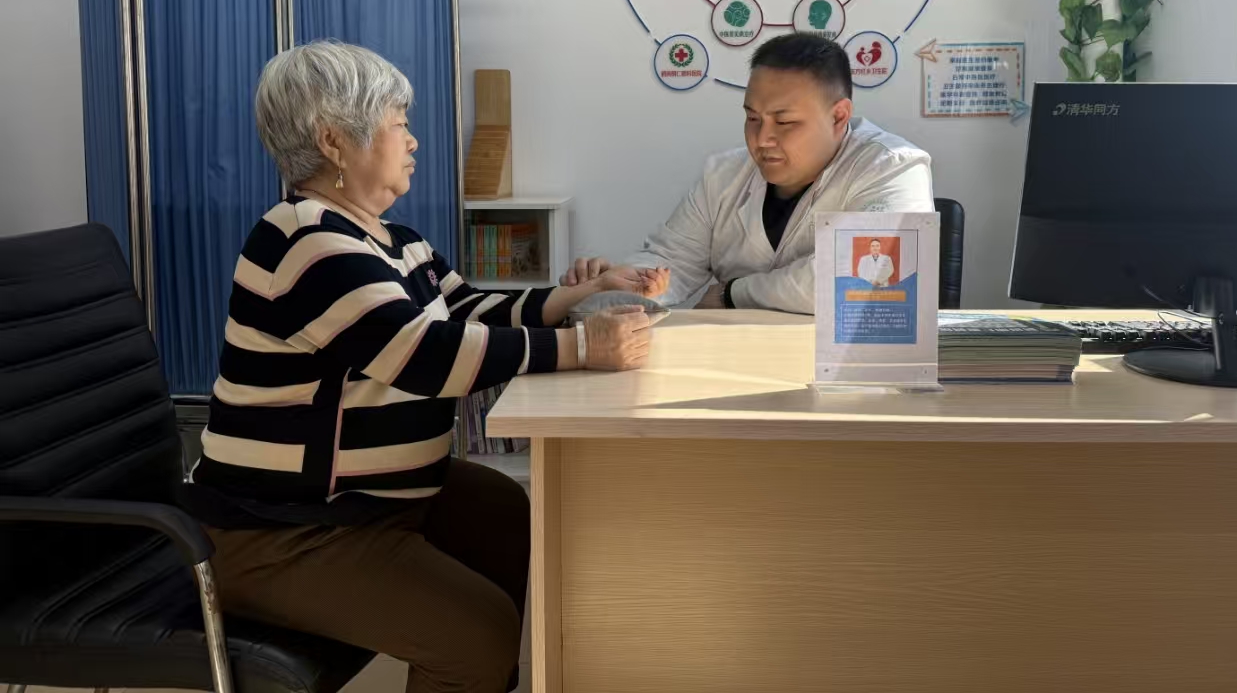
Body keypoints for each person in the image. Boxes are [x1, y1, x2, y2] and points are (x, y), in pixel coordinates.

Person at [184, 41, 663, 693]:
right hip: (286, 529)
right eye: (398, 123)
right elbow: (424, 353)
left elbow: (467, 310)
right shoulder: (307, 242)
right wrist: (584, 347)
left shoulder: (395, 242)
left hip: (368, 505)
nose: (413, 140)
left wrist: (578, 294)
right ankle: (470, 664)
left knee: (502, 510)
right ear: (333, 141)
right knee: (477, 635)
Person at [562, 34, 933, 314]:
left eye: (784, 122)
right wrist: (608, 286)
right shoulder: (723, 176)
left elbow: (859, 280)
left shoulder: (893, 166)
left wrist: (732, 293)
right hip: (739, 360)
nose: (762, 138)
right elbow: (670, 261)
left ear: (839, 116)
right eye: (752, 118)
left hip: (847, 367)